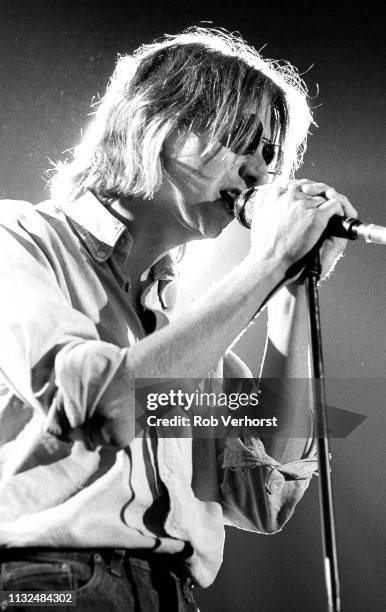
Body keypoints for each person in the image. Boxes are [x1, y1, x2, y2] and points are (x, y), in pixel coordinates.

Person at [0, 27, 357, 611]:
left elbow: (263, 489)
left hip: (171, 593)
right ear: (155, 122)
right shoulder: (20, 241)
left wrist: (292, 286)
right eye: (244, 140)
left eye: (272, 156)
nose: (261, 174)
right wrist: (268, 262)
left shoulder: (184, 325)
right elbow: (109, 406)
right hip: (52, 587)